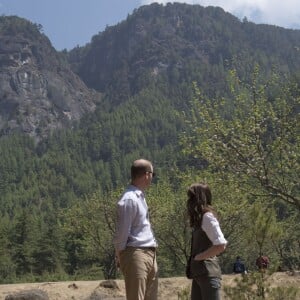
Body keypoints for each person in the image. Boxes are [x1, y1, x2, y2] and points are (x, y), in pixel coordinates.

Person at [113, 159, 158, 300]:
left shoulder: (139, 197)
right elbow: (122, 233)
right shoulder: (130, 199)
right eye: (152, 174)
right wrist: (120, 256)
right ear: (146, 175)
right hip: (135, 253)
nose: (152, 178)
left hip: (149, 252)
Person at [186, 183, 227, 300]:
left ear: (198, 199)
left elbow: (220, 244)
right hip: (199, 274)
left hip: (208, 274)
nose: (189, 201)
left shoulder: (207, 217)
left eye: (192, 198)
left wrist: (199, 257)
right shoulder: (200, 219)